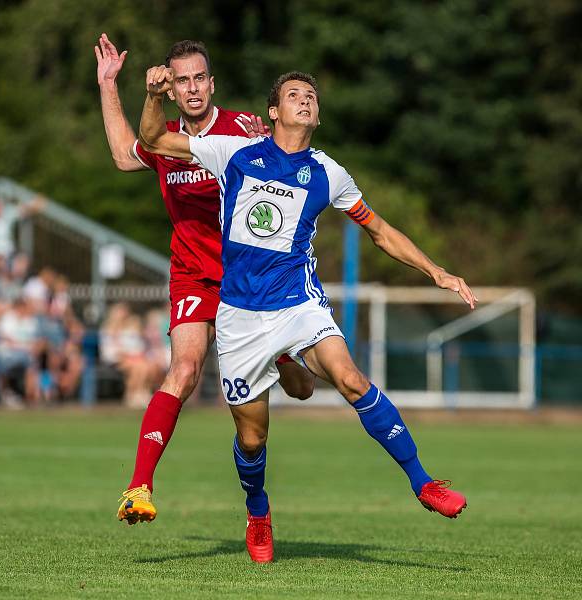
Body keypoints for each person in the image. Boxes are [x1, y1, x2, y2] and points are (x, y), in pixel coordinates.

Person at [139, 67, 477, 562]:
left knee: (352, 379)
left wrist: (436, 271)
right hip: (240, 317)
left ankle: (424, 483)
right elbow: (152, 138)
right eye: (294, 95)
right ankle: (258, 511)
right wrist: (152, 96)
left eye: (312, 96)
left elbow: (379, 229)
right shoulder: (233, 152)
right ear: (273, 111)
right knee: (252, 440)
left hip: (299, 304)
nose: (305, 100)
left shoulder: (328, 173)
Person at [96, 35, 317, 525]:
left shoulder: (244, 129)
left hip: (249, 279)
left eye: (199, 78)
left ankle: (287, 356)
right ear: (171, 89)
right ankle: (139, 487)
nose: (192, 88)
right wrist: (109, 85)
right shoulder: (164, 137)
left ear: (211, 83)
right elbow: (121, 154)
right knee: (185, 369)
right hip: (192, 275)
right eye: (182, 80)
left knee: (301, 389)